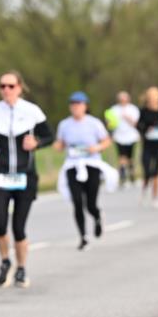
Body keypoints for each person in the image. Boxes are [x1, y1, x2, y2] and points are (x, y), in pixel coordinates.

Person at [0, 70, 53, 288]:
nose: (6, 90)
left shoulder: (32, 111)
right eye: (2, 86)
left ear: (20, 88)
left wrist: (37, 143)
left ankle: (21, 268)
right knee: (0, 224)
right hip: (0, 176)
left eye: (11, 86)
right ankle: (5, 262)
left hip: (25, 176)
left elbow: (49, 136)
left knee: (19, 227)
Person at [53, 92, 116, 250]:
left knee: (90, 203)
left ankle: (97, 216)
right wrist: (57, 146)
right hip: (72, 165)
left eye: (79, 104)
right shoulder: (64, 124)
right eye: (73, 104)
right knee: (77, 202)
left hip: (91, 164)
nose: (75, 107)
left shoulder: (94, 123)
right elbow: (60, 143)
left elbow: (106, 140)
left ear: (85, 106)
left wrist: (97, 147)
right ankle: (83, 236)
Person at [136, 87, 158, 208]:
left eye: (155, 97)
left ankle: (155, 198)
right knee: (147, 172)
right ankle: (144, 191)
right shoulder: (143, 111)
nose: (153, 100)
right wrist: (147, 128)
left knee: (156, 172)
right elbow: (139, 126)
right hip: (147, 145)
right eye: (151, 98)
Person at [109, 91, 140, 187]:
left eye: (124, 99)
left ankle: (132, 174)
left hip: (131, 136)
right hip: (119, 136)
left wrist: (127, 117)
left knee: (130, 157)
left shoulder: (133, 109)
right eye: (121, 99)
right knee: (121, 157)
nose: (122, 101)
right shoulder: (114, 109)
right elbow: (110, 124)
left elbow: (136, 123)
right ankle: (122, 176)